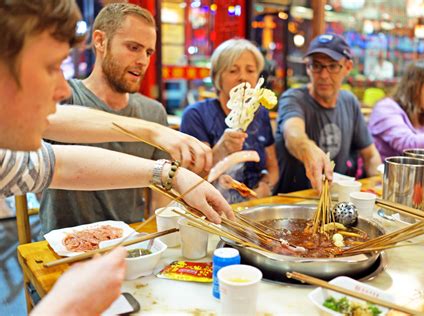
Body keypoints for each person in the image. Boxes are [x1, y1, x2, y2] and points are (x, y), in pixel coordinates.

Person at [0, 1, 232, 314]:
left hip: (127, 257)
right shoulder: (70, 97)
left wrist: (172, 172)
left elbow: (61, 163)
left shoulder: (11, 161)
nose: (59, 90)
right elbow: (60, 122)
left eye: (148, 52)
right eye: (50, 67)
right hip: (67, 261)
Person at [40, 3, 210, 233]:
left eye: (148, 52)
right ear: (99, 41)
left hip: (131, 242)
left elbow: (160, 198)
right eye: (133, 47)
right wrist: (151, 131)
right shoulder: (65, 95)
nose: (143, 60)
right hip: (64, 244)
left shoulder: (153, 112)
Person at [275, 33, 381, 194]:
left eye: (332, 66)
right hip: (294, 199)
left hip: (336, 199)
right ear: (307, 67)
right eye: (316, 66)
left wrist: (377, 185)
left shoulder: (349, 101)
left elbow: (371, 155)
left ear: (347, 67)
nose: (324, 75)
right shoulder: (293, 98)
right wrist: (309, 150)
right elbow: (293, 133)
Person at [180, 39, 279, 203]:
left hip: (255, 204)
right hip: (212, 206)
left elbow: (273, 167)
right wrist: (221, 149)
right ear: (217, 77)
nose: (243, 78)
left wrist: (265, 187)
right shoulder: (196, 115)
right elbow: (193, 177)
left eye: (250, 70)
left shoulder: (260, 114)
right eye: (233, 71)